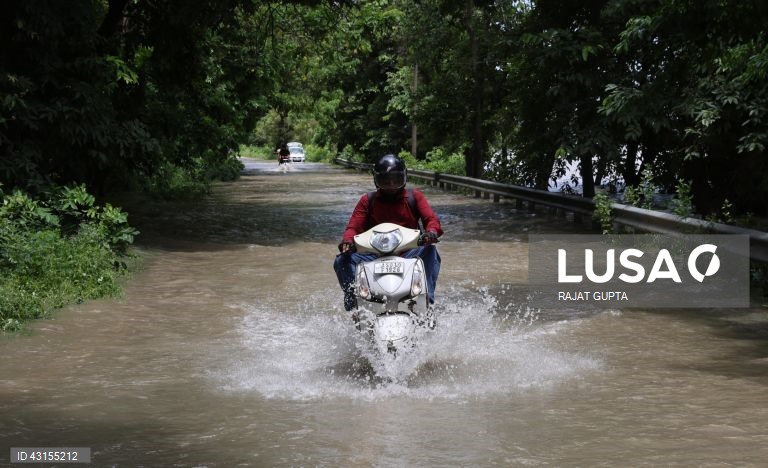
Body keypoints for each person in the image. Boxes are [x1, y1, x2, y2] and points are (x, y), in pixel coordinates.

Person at [334, 154, 443, 314]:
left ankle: (427, 300)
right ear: (376, 180)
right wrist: (347, 241)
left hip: (409, 252)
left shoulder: (415, 197)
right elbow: (353, 227)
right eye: (386, 180)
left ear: (404, 178)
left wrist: (431, 232)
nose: (391, 185)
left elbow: (431, 219)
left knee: (430, 251)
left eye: (396, 179)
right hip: (373, 254)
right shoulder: (367, 200)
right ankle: (353, 305)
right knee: (342, 260)